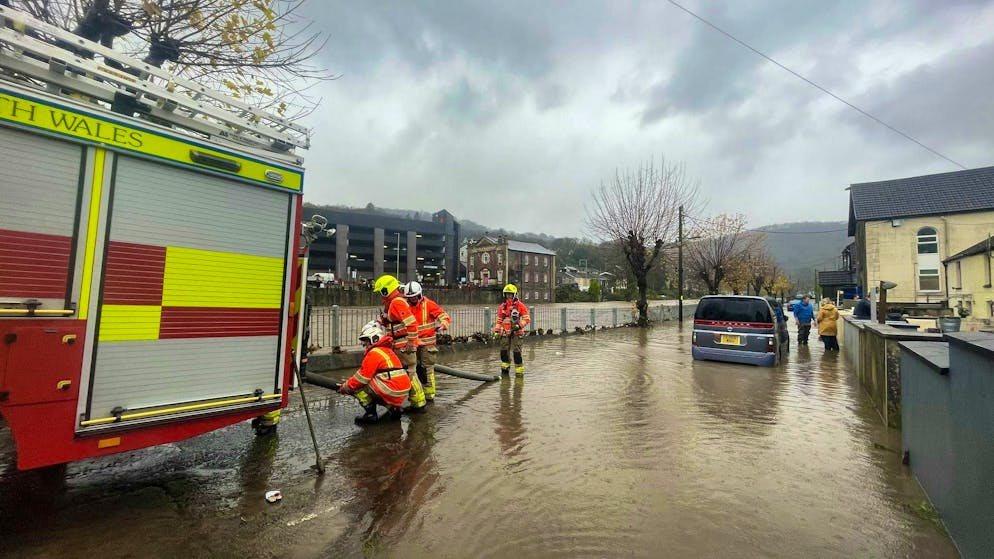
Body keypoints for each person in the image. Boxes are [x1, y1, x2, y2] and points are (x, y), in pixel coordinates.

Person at [334, 321, 413, 424]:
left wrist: (345, 387)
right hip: (402, 389)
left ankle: (370, 415)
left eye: (366, 340)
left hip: (391, 389)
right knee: (374, 387)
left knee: (358, 386)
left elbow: (361, 379)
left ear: (374, 339)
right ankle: (393, 409)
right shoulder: (387, 350)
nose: (364, 344)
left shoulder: (374, 353)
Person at [373, 274, 427, 411]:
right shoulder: (394, 302)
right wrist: (381, 321)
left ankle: (418, 404)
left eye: (380, 292)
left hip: (403, 345)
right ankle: (417, 402)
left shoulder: (397, 302)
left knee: (410, 373)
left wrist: (410, 342)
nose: (380, 295)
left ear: (385, 290)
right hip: (399, 344)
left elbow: (411, 323)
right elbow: (394, 321)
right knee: (407, 373)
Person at [405, 280, 451, 402]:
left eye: (415, 296)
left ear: (419, 294)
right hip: (413, 344)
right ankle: (417, 394)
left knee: (427, 370)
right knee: (413, 370)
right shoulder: (405, 306)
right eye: (410, 297)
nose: (413, 299)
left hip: (427, 345)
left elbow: (444, 316)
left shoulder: (428, 304)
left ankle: (429, 396)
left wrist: (442, 326)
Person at [493, 284, 530, 375]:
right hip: (504, 332)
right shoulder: (502, 306)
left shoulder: (520, 306)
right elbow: (499, 320)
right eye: (507, 294)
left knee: (517, 352)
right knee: (504, 351)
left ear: (514, 295)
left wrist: (519, 326)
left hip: (517, 332)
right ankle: (505, 370)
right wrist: (496, 331)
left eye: (510, 294)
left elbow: (526, 319)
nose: (508, 296)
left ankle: (519, 372)